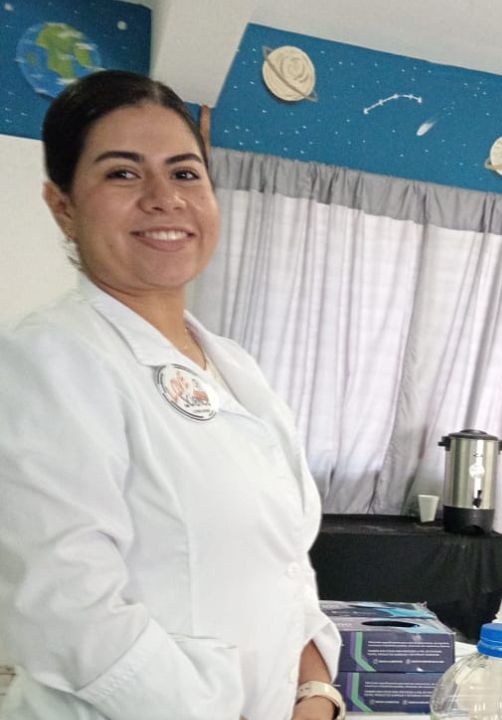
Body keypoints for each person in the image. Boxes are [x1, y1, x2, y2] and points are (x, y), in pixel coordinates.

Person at [0, 71, 345, 720]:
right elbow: (65, 609)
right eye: (123, 173)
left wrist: (315, 693)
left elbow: (285, 567)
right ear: (62, 206)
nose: (165, 198)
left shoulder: (235, 368)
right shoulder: (44, 358)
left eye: (186, 173)